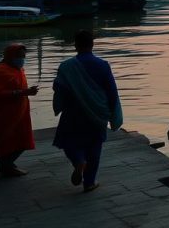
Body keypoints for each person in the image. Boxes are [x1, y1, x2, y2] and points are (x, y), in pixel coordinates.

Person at [52, 30, 121, 193]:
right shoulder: (103, 65)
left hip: (73, 111)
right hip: (97, 112)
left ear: (75, 45)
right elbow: (112, 91)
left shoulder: (66, 66)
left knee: (68, 141)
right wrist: (112, 113)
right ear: (92, 44)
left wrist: (59, 105)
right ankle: (89, 182)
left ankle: (78, 161)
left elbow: (59, 89)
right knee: (94, 146)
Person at [0, 44, 38, 177]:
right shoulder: (1, 71)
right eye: (19, 56)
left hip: (21, 111)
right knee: (7, 139)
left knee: (23, 139)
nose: (22, 59)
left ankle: (8, 164)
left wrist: (27, 91)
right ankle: (6, 165)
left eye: (23, 56)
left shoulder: (17, 69)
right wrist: (23, 92)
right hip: (6, 113)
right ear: (10, 56)